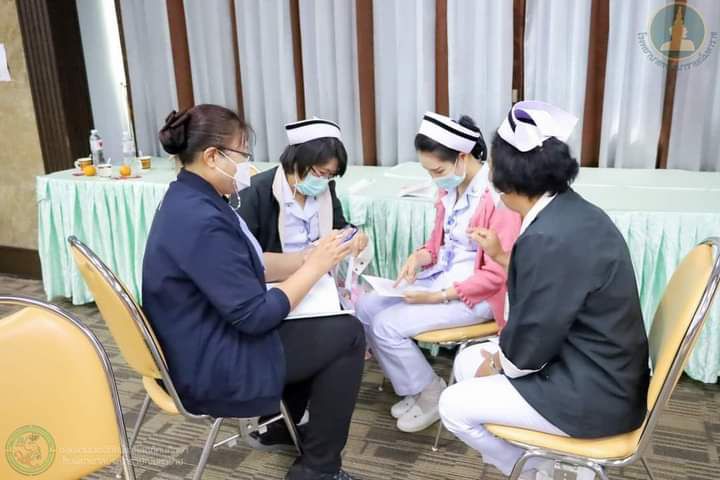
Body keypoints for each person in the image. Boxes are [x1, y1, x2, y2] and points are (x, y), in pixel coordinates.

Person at [142, 105, 365, 480]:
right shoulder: (202, 218)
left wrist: (307, 259)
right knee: (347, 334)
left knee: (324, 326)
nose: (248, 165)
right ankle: (317, 470)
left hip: (197, 338)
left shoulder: (191, 198)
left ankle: (281, 426)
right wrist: (313, 268)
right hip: (208, 363)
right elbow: (256, 316)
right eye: (242, 155)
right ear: (212, 156)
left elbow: (252, 265)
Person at [438, 101, 650, 480]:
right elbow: (544, 317)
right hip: (603, 369)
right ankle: (553, 464)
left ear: (508, 177)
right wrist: (498, 359)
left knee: (453, 405)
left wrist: (498, 363)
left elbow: (532, 343)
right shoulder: (571, 212)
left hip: (594, 393)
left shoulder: (548, 237)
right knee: (466, 362)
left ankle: (537, 472)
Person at [355, 112, 521, 433]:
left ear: (462, 157)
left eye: (438, 171)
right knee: (365, 306)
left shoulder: (497, 198)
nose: (434, 180)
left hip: (476, 296)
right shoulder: (449, 192)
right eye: (429, 172)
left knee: (387, 325)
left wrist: (438, 296)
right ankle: (415, 386)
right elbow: (437, 245)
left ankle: (430, 392)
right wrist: (419, 257)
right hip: (441, 281)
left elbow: (497, 276)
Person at [237, 118, 368, 260]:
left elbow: (339, 227)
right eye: (321, 172)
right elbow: (244, 252)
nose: (323, 180)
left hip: (321, 269)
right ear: (297, 160)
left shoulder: (326, 189)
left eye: (330, 175)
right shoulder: (256, 191)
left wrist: (354, 237)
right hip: (276, 272)